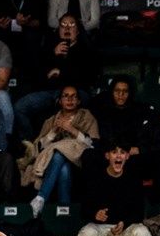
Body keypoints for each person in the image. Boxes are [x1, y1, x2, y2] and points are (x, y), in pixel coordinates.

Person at [13, 13, 97, 141]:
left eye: (71, 25)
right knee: (20, 107)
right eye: (63, 25)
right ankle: (30, 146)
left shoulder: (85, 49)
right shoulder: (49, 48)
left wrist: (62, 72)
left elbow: (86, 76)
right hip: (50, 92)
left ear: (78, 30)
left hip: (76, 93)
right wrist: (53, 54)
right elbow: (38, 75)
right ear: (58, 30)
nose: (67, 28)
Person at [78, 142, 150, 236]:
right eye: (114, 152)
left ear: (127, 156)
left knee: (143, 233)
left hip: (124, 229)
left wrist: (125, 222)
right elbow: (83, 210)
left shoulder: (133, 179)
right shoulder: (95, 178)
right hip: (101, 229)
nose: (118, 156)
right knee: (86, 233)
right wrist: (94, 214)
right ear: (107, 156)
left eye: (122, 152)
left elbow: (139, 212)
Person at [22, 85, 99, 218]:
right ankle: (65, 212)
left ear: (79, 101)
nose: (70, 99)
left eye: (74, 96)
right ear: (59, 101)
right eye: (66, 96)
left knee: (59, 152)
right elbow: (39, 148)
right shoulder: (51, 121)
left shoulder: (86, 117)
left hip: (80, 163)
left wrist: (72, 130)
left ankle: (40, 197)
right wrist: (53, 133)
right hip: (53, 166)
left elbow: (94, 144)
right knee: (62, 163)